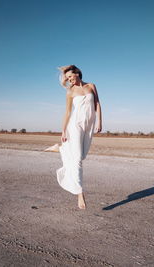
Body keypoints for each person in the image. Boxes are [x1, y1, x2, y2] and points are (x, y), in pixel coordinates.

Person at [47, 65, 102, 209]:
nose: (69, 79)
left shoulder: (91, 86)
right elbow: (67, 113)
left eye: (71, 76)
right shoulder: (70, 92)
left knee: (82, 156)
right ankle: (80, 194)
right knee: (77, 159)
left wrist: (100, 121)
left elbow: (97, 104)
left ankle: (61, 149)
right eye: (67, 78)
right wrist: (63, 131)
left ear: (77, 73)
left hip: (89, 125)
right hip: (75, 125)